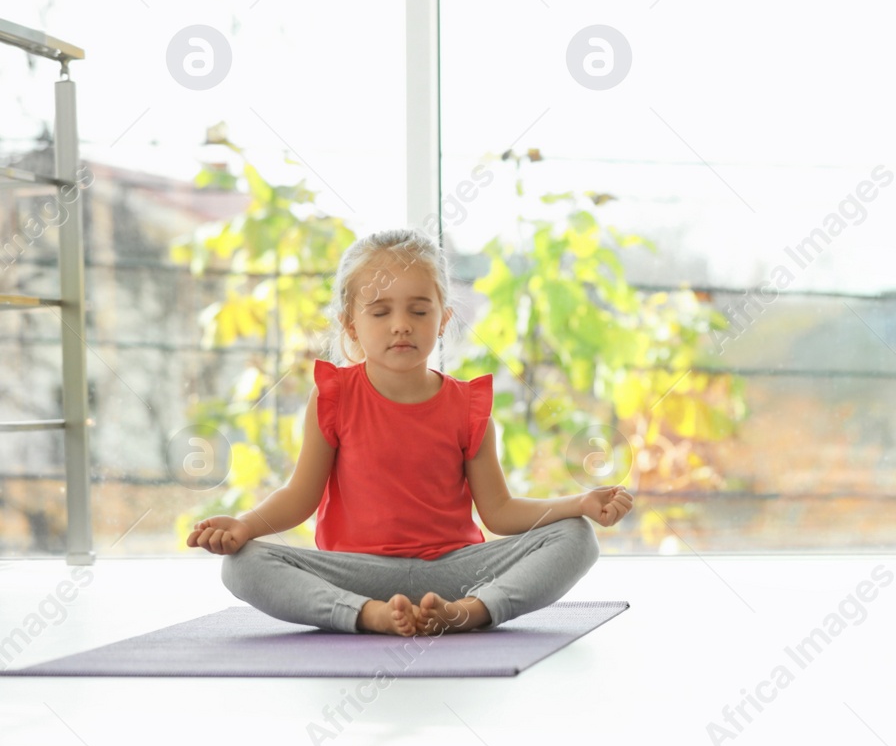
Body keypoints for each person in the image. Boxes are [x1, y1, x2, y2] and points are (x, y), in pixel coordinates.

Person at [187, 228, 633, 636]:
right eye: (380, 311)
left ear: (442, 319)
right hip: (357, 571)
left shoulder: (468, 405)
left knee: (577, 537)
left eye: (419, 310)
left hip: (454, 571)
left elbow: (499, 511)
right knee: (241, 565)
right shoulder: (333, 396)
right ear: (351, 325)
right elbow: (299, 497)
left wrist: (580, 503)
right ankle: (367, 614)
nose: (401, 324)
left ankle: (469, 612)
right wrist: (244, 526)